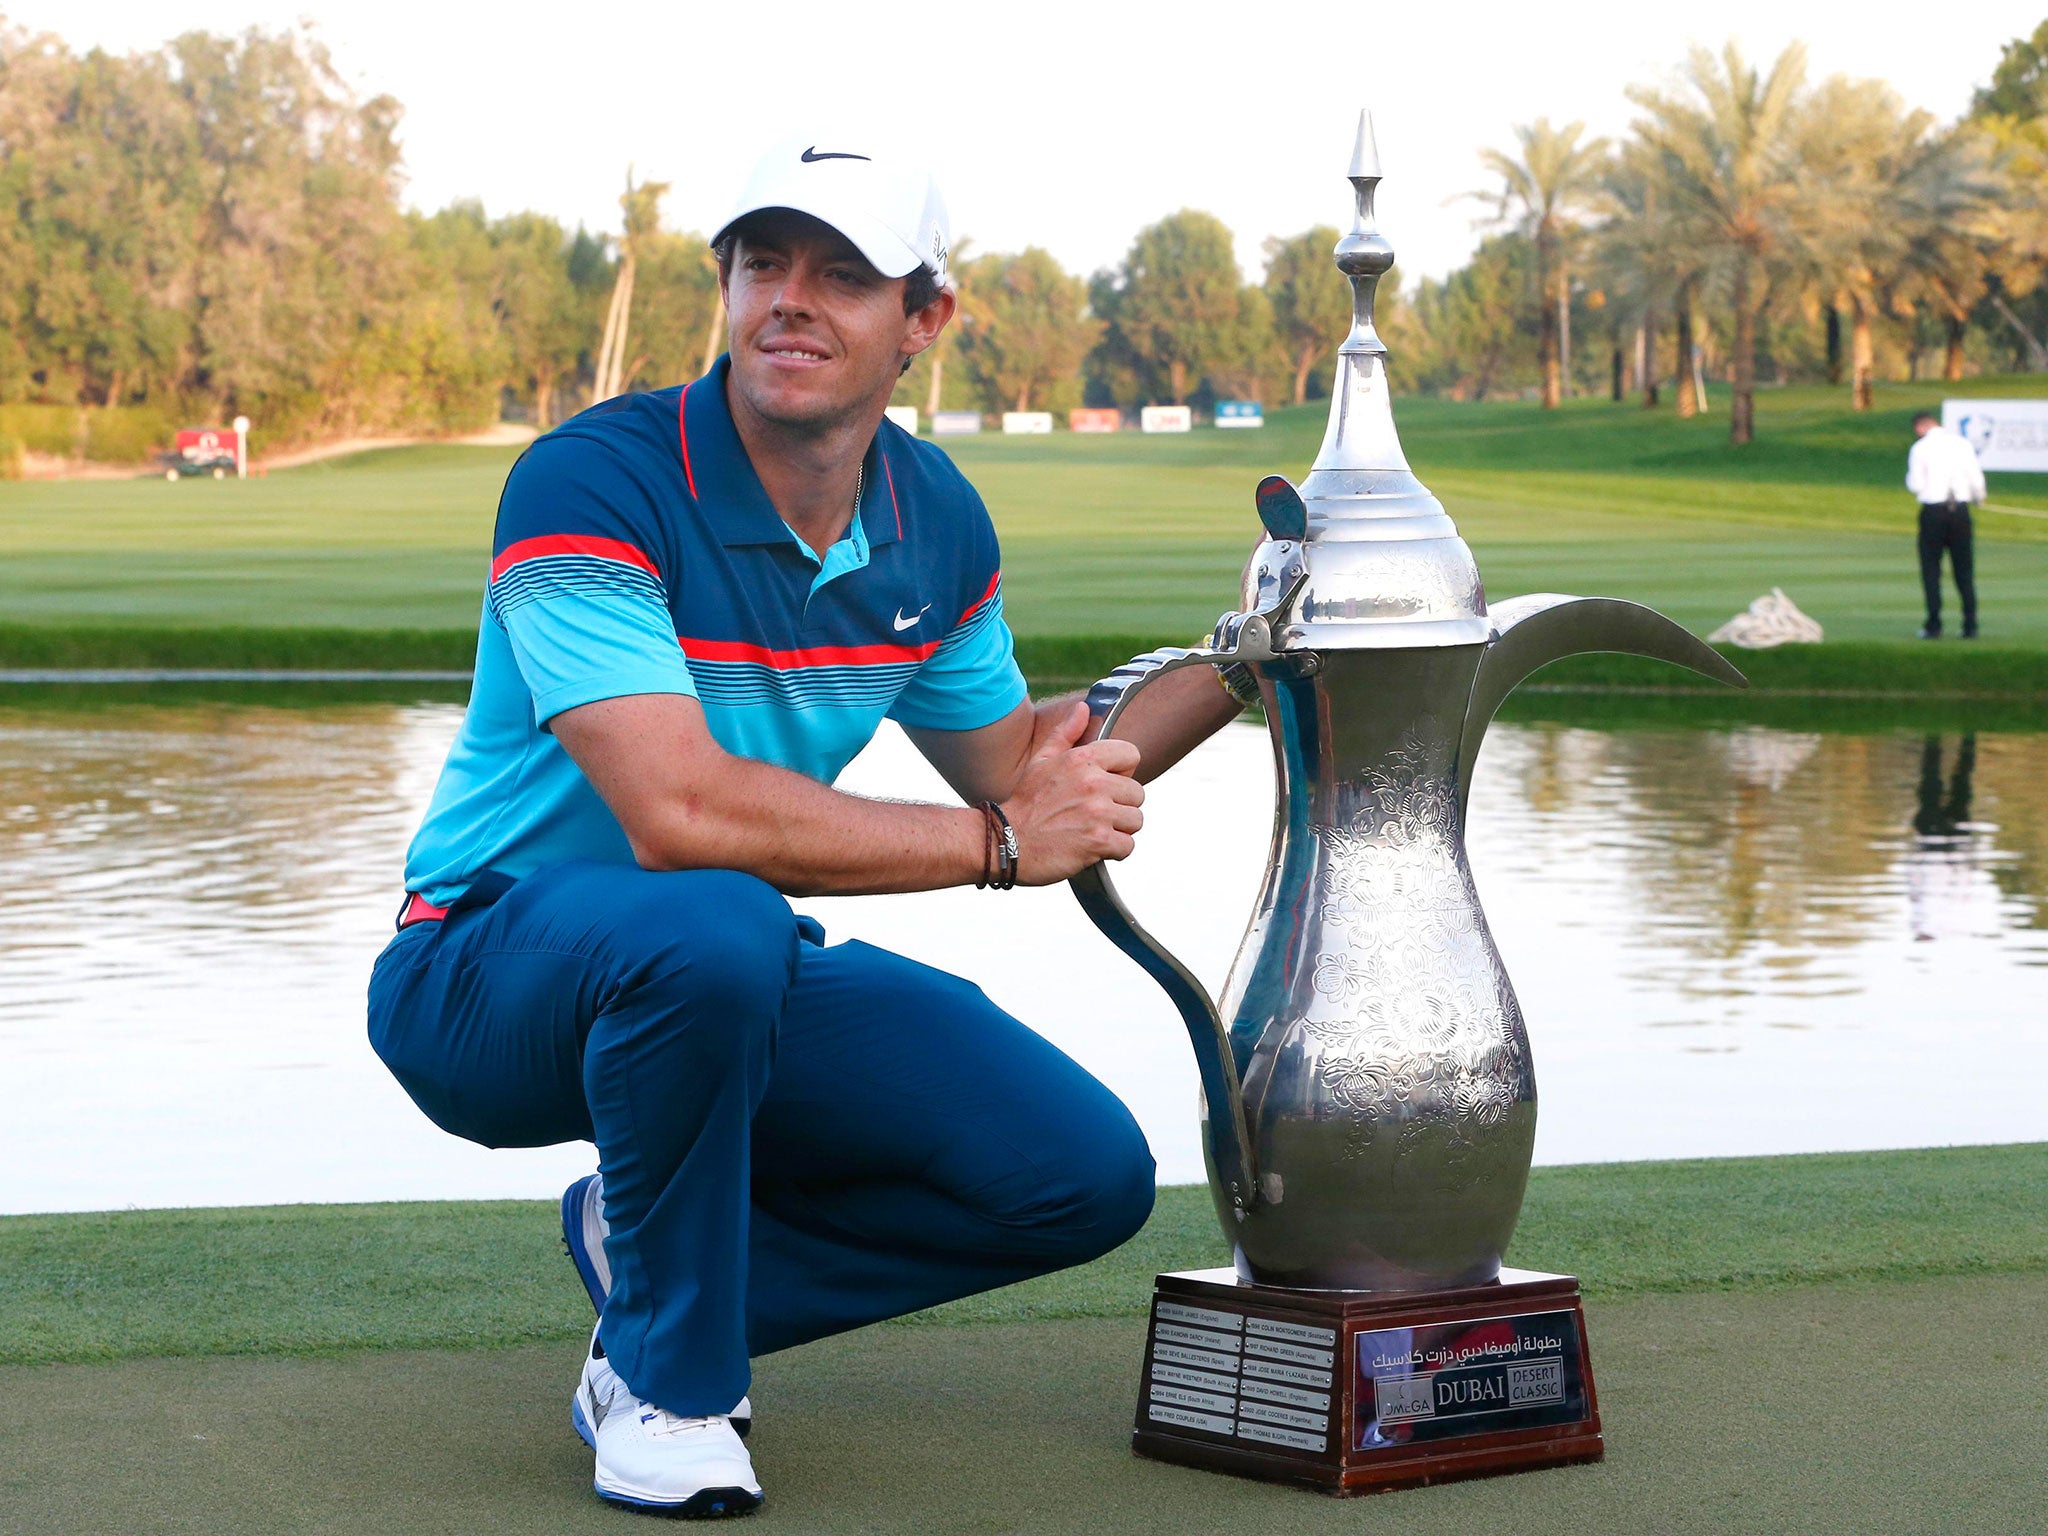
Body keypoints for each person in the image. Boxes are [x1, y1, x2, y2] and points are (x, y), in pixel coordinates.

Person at [364, 140, 1246, 1519]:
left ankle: (653, 1275)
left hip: (721, 972)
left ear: (922, 321)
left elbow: (1014, 761)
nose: (792, 299)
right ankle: (669, 1390)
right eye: (763, 264)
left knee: (1076, 1174)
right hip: (479, 974)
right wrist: (1002, 849)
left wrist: (1255, 657)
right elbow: (680, 811)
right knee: (715, 915)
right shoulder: (591, 483)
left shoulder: (933, 521)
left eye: (843, 274)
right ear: (723, 289)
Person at [1905, 411, 1986, 638]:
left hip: (1933, 512)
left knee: (1931, 570)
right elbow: (1976, 477)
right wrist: (1978, 496)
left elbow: (1915, 484)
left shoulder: (1920, 448)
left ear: (1920, 428)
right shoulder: (1962, 444)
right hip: (1960, 511)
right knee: (1964, 571)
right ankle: (1970, 625)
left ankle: (1934, 624)